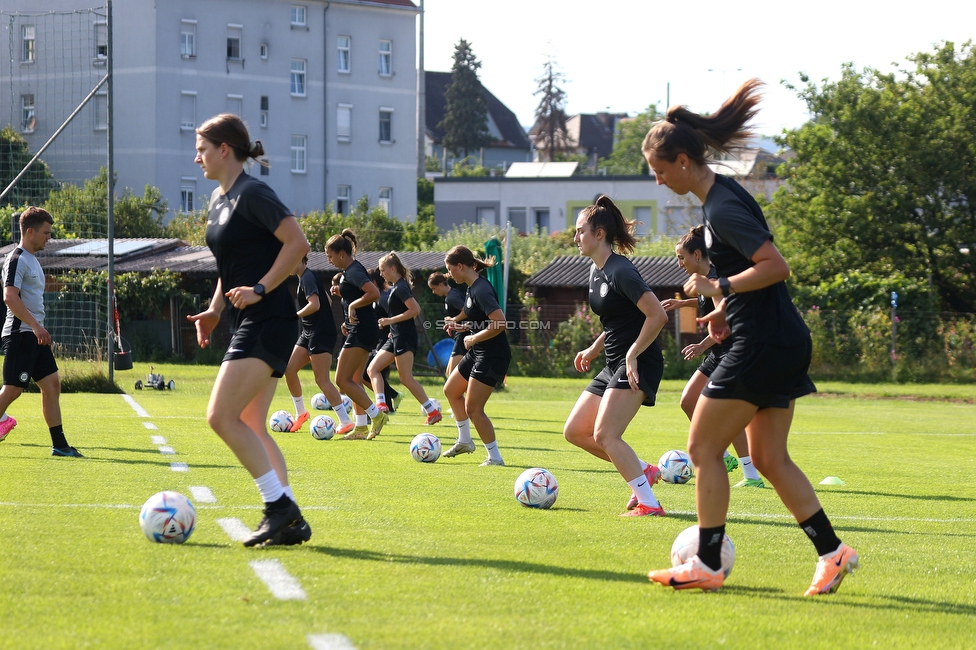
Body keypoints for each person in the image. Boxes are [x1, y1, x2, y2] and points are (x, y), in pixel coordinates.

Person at [643, 80, 858, 594]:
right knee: (767, 458)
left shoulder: (721, 208)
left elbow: (775, 266)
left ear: (682, 162)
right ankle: (834, 553)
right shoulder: (719, 200)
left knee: (701, 446)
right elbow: (752, 277)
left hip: (764, 343)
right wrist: (724, 311)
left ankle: (708, 564)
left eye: (658, 171)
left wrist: (718, 286)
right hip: (774, 337)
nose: (657, 182)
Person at [187, 113, 311, 547]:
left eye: (202, 148)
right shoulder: (219, 201)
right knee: (252, 424)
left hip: (269, 320)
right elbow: (231, 266)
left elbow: (298, 245)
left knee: (220, 416)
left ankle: (278, 508)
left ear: (225, 150)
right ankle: (290, 516)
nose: (196, 156)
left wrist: (260, 288)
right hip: (249, 319)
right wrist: (215, 309)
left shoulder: (254, 193)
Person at [562, 196, 669, 516]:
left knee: (606, 434)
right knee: (575, 431)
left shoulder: (621, 269)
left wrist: (633, 353)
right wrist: (594, 348)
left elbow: (657, 315)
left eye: (580, 231)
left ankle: (649, 504)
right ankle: (644, 471)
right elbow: (619, 321)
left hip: (638, 363)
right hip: (614, 363)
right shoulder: (596, 272)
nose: (575, 237)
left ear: (599, 234)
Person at [661, 226, 764, 488]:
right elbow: (708, 301)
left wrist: (701, 345)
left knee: (724, 414)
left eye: (681, 257)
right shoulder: (707, 279)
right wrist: (682, 303)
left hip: (733, 351)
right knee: (688, 401)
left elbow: (723, 319)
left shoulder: (718, 278)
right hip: (719, 351)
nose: (679, 263)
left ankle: (751, 475)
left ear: (697, 254)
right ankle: (726, 457)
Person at [0, 207, 81, 457]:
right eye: (46, 233)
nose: (49, 237)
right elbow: (9, 297)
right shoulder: (17, 259)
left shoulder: (32, 259)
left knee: (52, 385)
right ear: (30, 231)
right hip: (21, 334)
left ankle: (60, 445)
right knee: (13, 389)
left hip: (34, 335)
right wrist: (35, 326)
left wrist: (37, 328)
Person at [440, 246, 510, 466]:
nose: (449, 275)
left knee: (473, 409)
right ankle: (465, 441)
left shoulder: (480, 289)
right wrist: (464, 328)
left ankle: (495, 457)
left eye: (450, 270)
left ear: (460, 266)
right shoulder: (472, 288)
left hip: (493, 355)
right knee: (450, 390)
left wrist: (474, 338)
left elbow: (500, 323)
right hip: (479, 350)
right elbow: (481, 321)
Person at [325, 229, 389, 440]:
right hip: (359, 328)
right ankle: (361, 427)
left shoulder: (353, 270)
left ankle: (376, 415)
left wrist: (352, 304)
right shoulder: (348, 273)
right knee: (353, 379)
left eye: (330, 256)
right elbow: (358, 295)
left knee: (341, 380)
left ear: (341, 254)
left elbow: (374, 293)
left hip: (362, 329)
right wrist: (346, 306)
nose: (329, 260)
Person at [281, 255, 355, 436]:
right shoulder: (305, 278)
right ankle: (301, 413)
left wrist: (294, 315)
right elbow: (327, 302)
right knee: (289, 370)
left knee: (322, 380)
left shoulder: (306, 277)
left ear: (301, 259)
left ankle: (345, 421)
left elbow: (315, 305)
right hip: (309, 332)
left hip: (320, 333)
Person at [368, 253, 442, 425]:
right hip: (395, 335)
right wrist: (392, 328)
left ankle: (432, 411)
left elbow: (415, 310)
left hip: (404, 337)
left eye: (383, 270)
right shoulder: (396, 287)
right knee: (372, 369)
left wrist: (389, 321)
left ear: (393, 268)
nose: (381, 274)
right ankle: (381, 404)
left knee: (405, 378)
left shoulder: (401, 287)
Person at [362, 266, 400, 413]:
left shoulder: (383, 297)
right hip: (380, 339)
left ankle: (387, 403)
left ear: (372, 281)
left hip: (387, 339)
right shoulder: (377, 296)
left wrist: (392, 329)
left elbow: (393, 314)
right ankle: (389, 401)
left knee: (373, 370)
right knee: (374, 371)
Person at [428, 271, 467, 377]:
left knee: (451, 376)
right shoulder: (452, 294)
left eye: (434, 288)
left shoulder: (451, 298)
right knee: (450, 374)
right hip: (461, 335)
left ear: (440, 284)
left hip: (463, 335)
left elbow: (467, 311)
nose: (433, 292)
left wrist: (453, 320)